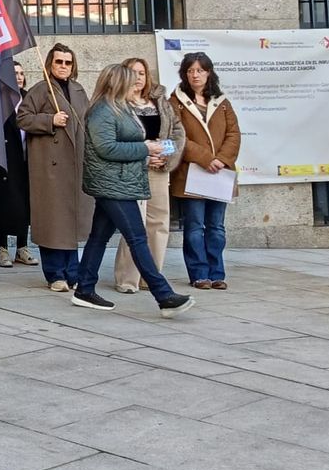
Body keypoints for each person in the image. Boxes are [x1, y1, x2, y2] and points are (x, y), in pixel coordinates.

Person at [71, 64, 195, 318]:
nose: (136, 85)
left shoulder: (121, 107)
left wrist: (152, 150)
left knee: (99, 237)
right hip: (112, 185)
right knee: (138, 238)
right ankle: (164, 296)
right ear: (118, 84)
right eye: (131, 81)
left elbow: (129, 143)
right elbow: (107, 149)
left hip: (120, 182)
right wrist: (145, 150)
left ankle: (84, 289)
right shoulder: (103, 111)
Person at [16, 44, 89, 293]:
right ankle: (54, 273)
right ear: (50, 63)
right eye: (59, 62)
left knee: (70, 223)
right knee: (53, 223)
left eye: (68, 62)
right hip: (51, 168)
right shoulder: (40, 90)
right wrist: (50, 120)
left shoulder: (79, 90)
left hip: (75, 165)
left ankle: (73, 272)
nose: (63, 66)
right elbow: (22, 118)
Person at [170, 52, 243, 288]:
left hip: (219, 173)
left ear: (208, 72)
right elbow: (177, 135)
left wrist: (221, 159)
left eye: (200, 70)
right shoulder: (176, 101)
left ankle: (217, 274)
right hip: (192, 174)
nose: (195, 75)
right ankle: (199, 274)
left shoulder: (221, 102)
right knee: (194, 227)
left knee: (217, 228)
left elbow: (233, 134)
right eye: (190, 71)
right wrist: (205, 158)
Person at [115, 57, 186, 294]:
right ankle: (128, 279)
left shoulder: (160, 102)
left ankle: (152, 276)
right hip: (133, 170)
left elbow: (177, 133)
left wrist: (164, 155)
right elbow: (116, 140)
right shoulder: (118, 104)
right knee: (135, 224)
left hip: (158, 170)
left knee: (159, 222)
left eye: (142, 73)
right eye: (133, 72)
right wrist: (144, 156)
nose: (138, 77)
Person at [0, 60, 34, 268]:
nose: (19, 77)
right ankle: (2, 249)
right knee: (3, 205)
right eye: (14, 74)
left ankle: (22, 247)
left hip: (26, 160)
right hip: (4, 161)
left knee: (25, 205)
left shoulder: (31, 99)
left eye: (21, 73)